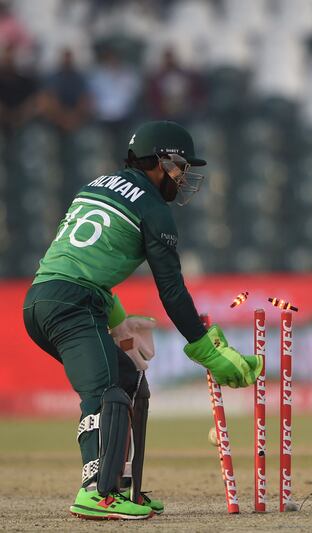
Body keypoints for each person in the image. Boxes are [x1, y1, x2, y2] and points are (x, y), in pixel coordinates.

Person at [22, 121, 263, 520]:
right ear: (162, 161)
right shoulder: (152, 208)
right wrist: (207, 351)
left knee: (130, 381)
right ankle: (97, 494)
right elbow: (172, 291)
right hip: (72, 305)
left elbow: (81, 258)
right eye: (181, 167)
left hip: (44, 297)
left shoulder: (96, 185)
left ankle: (123, 487)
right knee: (107, 392)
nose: (184, 177)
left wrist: (118, 320)